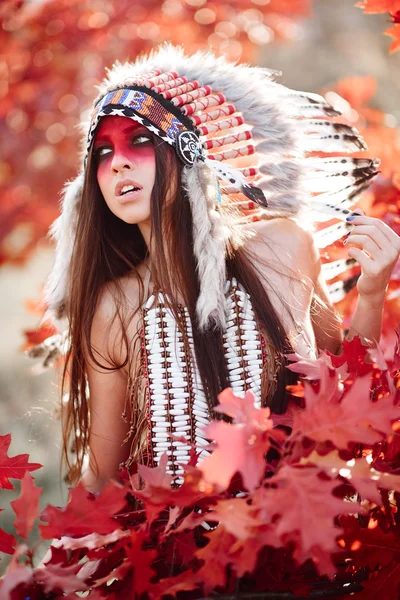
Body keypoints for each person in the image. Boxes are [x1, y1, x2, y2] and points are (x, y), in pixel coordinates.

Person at [31, 43, 400, 495]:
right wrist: (57, 560)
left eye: (140, 140)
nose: (118, 162)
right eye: (103, 153)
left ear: (190, 152)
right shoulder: (115, 305)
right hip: (188, 556)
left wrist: (372, 292)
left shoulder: (282, 245)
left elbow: (343, 390)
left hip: (308, 529)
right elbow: (105, 477)